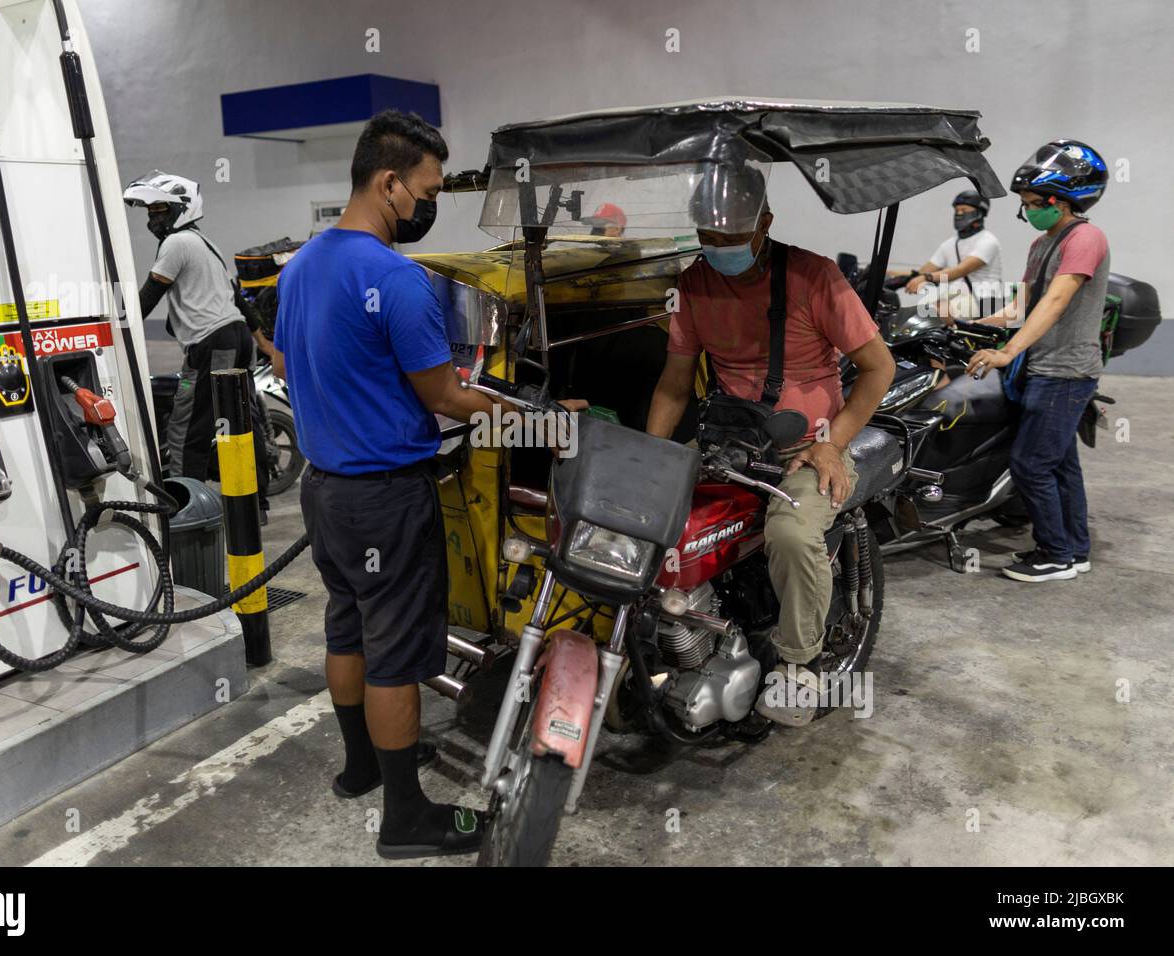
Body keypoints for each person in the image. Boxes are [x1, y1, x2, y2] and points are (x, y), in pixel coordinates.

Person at [272, 110, 584, 859]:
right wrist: (539, 419)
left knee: (345, 626)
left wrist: (360, 391)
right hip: (386, 496)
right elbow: (447, 398)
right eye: (427, 188)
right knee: (395, 655)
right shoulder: (397, 279)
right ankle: (407, 819)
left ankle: (360, 771)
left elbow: (288, 366)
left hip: (325, 492)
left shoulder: (301, 266)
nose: (428, 203)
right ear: (388, 182)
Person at [645, 164, 895, 727]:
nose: (719, 249)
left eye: (732, 238)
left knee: (790, 530)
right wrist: (648, 460)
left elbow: (879, 368)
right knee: (646, 519)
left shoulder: (815, 277)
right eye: (709, 238)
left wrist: (833, 443)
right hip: (730, 441)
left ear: (765, 224)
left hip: (808, 446)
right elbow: (674, 384)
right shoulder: (693, 283)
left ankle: (799, 663)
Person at [964, 140, 1110, 583]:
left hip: (1065, 372)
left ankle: (1054, 555)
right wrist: (966, 325)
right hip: (1044, 369)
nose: (1029, 211)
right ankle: (1075, 549)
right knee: (1061, 464)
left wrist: (1008, 351)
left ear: (1061, 200)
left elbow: (1057, 301)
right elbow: (1022, 305)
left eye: (1034, 203)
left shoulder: (1086, 237)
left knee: (1030, 463)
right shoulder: (1041, 243)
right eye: (1025, 205)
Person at [124, 171, 271, 519]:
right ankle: (257, 504)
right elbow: (237, 297)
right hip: (235, 338)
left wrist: (118, 329)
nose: (153, 218)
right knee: (241, 419)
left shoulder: (176, 244)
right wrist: (263, 342)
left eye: (160, 210)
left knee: (188, 422)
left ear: (183, 208)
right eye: (150, 211)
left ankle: (184, 506)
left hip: (210, 343)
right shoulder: (206, 243)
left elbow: (148, 296)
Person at [905, 190, 1004, 321]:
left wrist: (927, 278)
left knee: (934, 314)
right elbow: (922, 271)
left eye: (964, 209)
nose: (959, 213)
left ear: (979, 213)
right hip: (959, 295)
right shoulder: (950, 243)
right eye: (957, 210)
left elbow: (960, 270)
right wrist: (886, 275)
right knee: (916, 315)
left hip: (985, 298)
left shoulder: (988, 241)